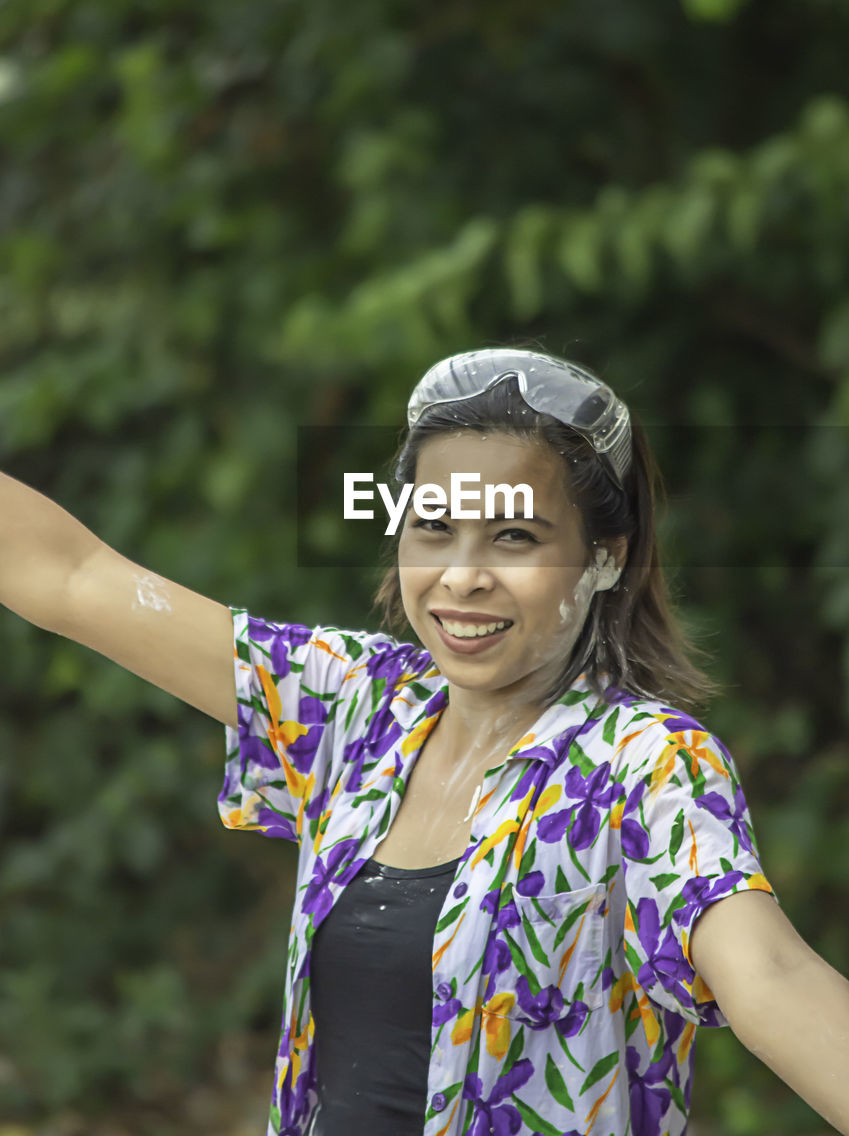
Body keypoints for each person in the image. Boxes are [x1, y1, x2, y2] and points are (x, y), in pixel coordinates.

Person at [1, 346, 848, 1136]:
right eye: (434, 528)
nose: (461, 574)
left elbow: (768, 976)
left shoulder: (642, 763)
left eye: (514, 537)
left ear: (603, 558)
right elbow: (74, 578)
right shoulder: (355, 708)